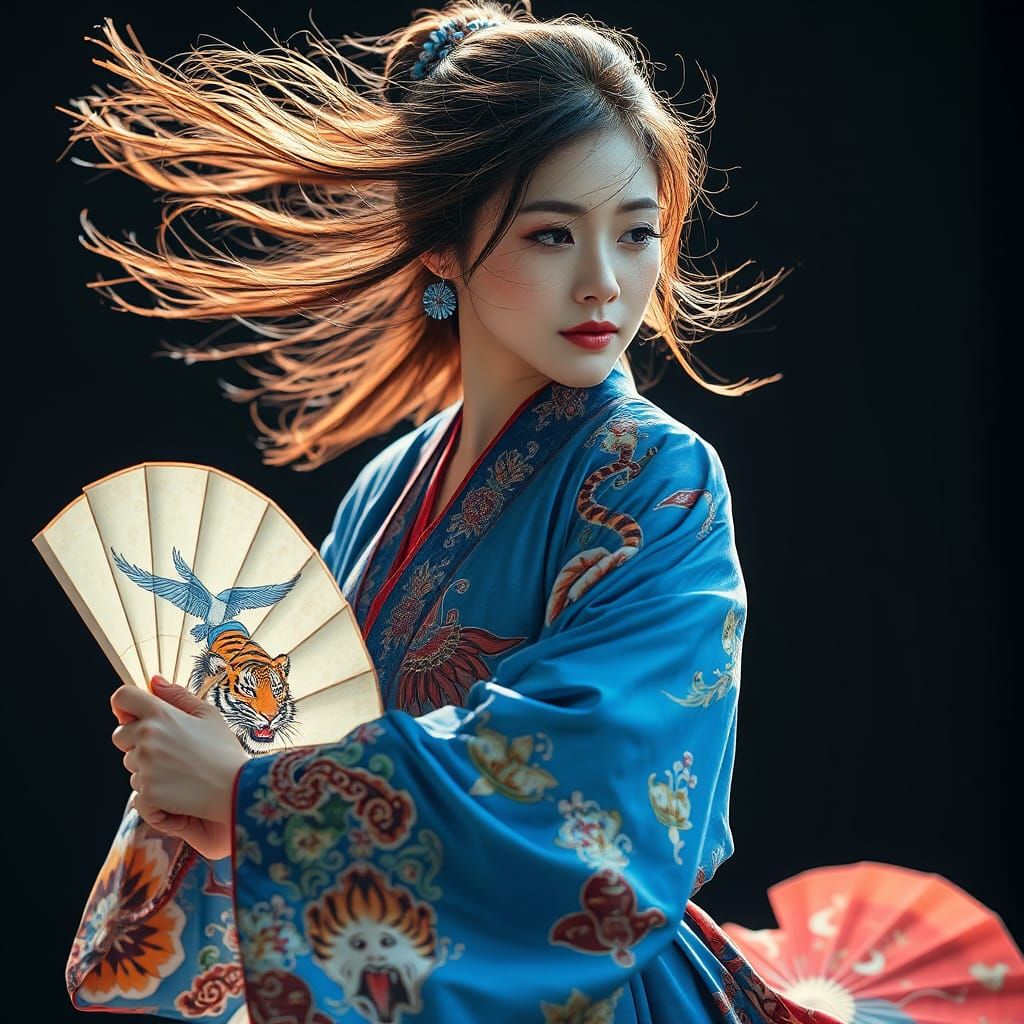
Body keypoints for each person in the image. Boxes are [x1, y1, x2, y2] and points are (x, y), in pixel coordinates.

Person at [56, 5, 1016, 1024]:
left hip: (595, 992)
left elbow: (595, 772)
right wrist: (198, 775)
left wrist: (253, 797)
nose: (604, 282)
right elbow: (304, 731)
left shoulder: (656, 475)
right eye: (552, 233)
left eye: (636, 232)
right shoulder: (389, 487)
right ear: (440, 246)